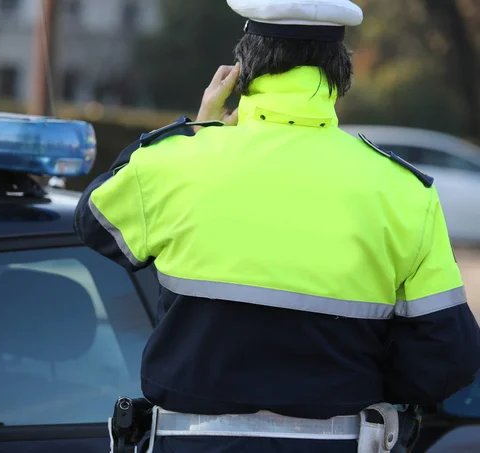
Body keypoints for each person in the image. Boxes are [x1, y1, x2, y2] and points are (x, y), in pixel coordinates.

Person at [73, 0, 480, 451]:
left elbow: (93, 222)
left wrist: (197, 131)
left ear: (243, 70)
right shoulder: (404, 192)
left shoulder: (176, 166)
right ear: (340, 75)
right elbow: (446, 360)